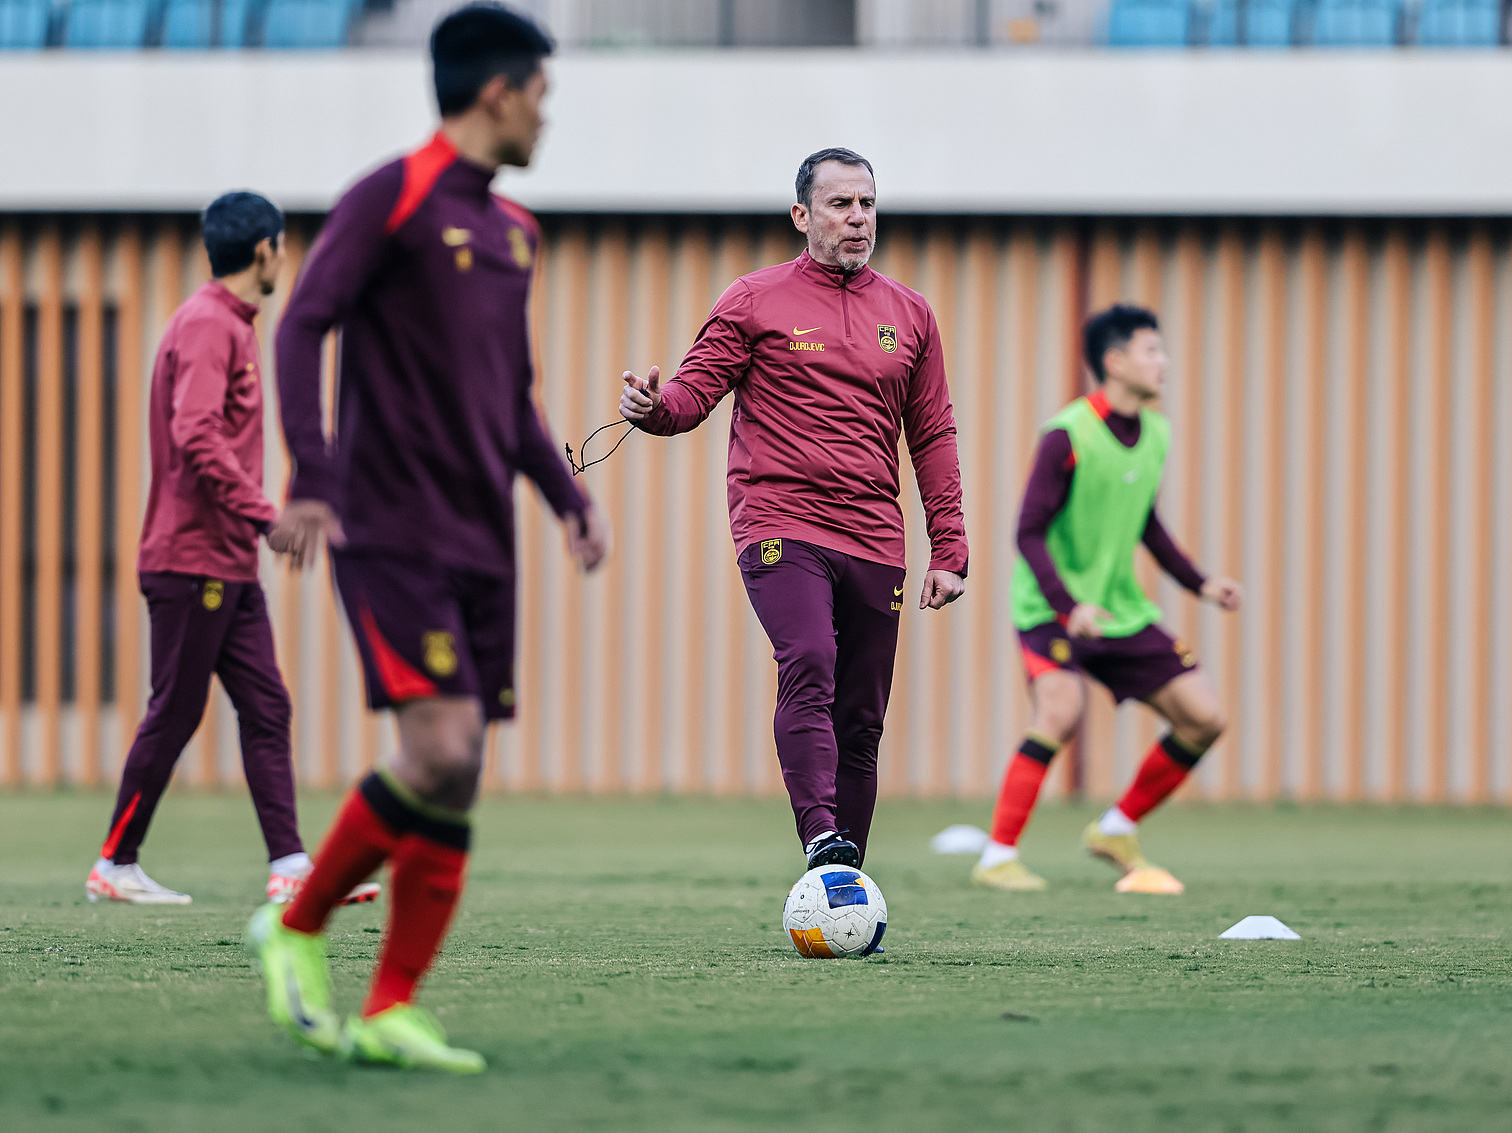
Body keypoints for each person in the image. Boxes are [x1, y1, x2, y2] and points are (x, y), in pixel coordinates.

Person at [247, 3, 608, 1074]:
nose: (547, 115)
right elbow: (303, 322)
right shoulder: (391, 194)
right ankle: (296, 924)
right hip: (389, 523)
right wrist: (312, 475)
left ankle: (392, 1007)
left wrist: (565, 497)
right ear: (498, 92)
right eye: (541, 94)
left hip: (482, 536)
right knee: (439, 746)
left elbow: (511, 393)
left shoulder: (515, 232)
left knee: (458, 772)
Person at [619, 147, 967, 878]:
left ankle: (844, 882)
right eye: (841, 204)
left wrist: (949, 547)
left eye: (867, 203)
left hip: (875, 534)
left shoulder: (910, 314)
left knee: (862, 719)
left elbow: (933, 433)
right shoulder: (754, 299)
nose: (858, 218)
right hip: (781, 522)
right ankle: (819, 836)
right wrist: (655, 409)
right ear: (802, 215)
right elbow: (692, 393)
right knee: (809, 658)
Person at [86, 192, 375, 909]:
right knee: (175, 712)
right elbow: (195, 432)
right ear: (266, 249)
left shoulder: (227, 324)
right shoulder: (210, 325)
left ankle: (291, 867)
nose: (286, 256)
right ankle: (114, 863)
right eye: (284, 245)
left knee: (267, 707)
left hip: (226, 563)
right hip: (191, 561)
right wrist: (266, 514)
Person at [971, 304, 1243, 893]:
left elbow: (1145, 521)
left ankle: (1116, 829)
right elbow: (1027, 532)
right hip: (1051, 610)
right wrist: (1069, 608)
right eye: (1152, 351)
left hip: (1120, 611)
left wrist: (1200, 583)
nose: (1164, 362)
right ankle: (997, 857)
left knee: (1205, 718)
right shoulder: (1067, 435)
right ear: (1115, 362)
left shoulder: (1157, 433)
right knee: (1060, 711)